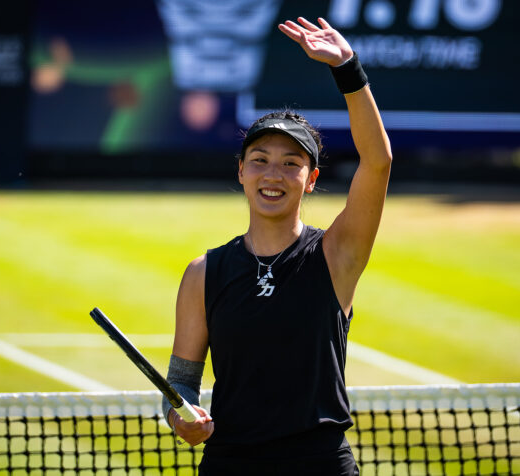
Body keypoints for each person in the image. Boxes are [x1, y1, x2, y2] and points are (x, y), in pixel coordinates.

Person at [162, 16, 392, 475]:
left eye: (292, 163)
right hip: (231, 464)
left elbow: (378, 161)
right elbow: (182, 383)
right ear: (241, 171)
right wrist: (179, 418)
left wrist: (347, 67)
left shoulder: (336, 256)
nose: (274, 174)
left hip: (320, 464)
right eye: (260, 160)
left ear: (311, 181)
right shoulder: (204, 273)